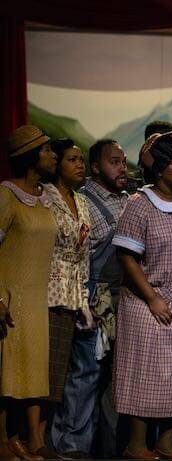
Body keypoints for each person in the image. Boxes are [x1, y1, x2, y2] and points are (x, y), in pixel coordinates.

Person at [112, 131, 172, 460]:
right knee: (145, 373)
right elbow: (126, 257)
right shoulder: (140, 205)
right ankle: (137, 444)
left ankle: (167, 443)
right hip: (145, 301)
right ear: (159, 169)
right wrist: (152, 297)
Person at [51, 139, 129, 458]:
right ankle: (71, 446)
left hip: (123, 298)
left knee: (114, 378)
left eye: (124, 161)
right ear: (97, 167)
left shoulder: (128, 200)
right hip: (94, 296)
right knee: (85, 374)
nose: (122, 167)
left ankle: (108, 447)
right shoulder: (84, 201)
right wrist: (86, 300)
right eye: (114, 162)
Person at [1, 125, 57, 461]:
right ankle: (4, 441)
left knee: (33, 371)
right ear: (31, 156)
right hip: (11, 298)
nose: (53, 156)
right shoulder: (6, 196)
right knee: (7, 371)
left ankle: (29, 439)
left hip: (37, 299)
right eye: (48, 150)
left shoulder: (45, 198)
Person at [42, 139, 92, 458]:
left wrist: (84, 301)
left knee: (61, 374)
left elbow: (83, 256)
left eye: (82, 159)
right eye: (72, 159)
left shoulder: (81, 202)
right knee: (46, 372)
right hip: (47, 291)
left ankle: (49, 440)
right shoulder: (45, 196)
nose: (80, 165)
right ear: (56, 162)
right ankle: (33, 438)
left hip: (72, 296)